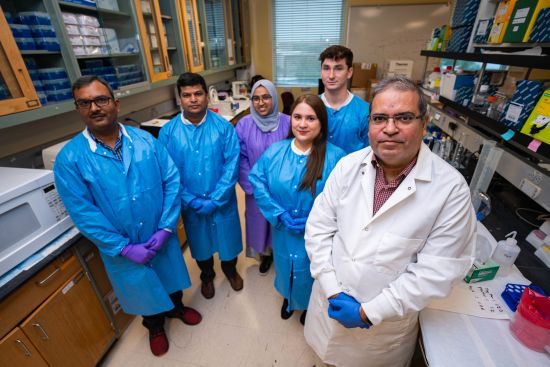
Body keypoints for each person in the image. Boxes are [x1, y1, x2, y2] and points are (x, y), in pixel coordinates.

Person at [304, 76, 476, 367]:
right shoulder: (348, 166)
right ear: (369, 124)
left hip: (382, 328)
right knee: (326, 358)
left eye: (404, 118)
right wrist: (332, 288)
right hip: (329, 302)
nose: (390, 128)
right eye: (380, 118)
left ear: (424, 124)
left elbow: (437, 271)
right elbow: (319, 229)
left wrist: (368, 312)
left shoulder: (450, 189)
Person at [54, 76, 201, 357]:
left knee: (170, 277)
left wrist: (167, 228)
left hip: (161, 232)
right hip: (122, 246)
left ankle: (177, 307)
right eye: (85, 103)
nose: (95, 108)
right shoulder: (70, 159)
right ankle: (154, 326)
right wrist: (123, 247)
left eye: (101, 99)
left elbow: (171, 181)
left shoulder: (146, 140)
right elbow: (83, 213)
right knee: (142, 289)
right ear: (78, 109)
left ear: (116, 104)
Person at [249, 95, 346, 325]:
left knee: (310, 270)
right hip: (283, 230)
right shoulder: (275, 151)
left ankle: (306, 306)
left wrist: (315, 220)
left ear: (321, 123)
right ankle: (288, 299)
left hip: (317, 236)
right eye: (297, 117)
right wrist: (278, 213)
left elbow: (343, 200)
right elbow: (257, 180)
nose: (302, 124)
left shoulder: (336, 157)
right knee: (284, 265)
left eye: (311, 118)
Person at [158, 72, 243, 300]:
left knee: (227, 240)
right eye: (187, 95)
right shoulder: (168, 133)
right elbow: (169, 173)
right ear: (180, 99)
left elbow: (232, 165)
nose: (193, 99)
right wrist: (191, 200)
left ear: (207, 96)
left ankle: (230, 270)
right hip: (190, 203)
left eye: (198, 93)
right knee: (200, 243)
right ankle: (207, 276)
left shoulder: (224, 128)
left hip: (222, 201)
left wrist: (216, 199)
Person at [235, 79, 290, 275]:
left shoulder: (288, 122)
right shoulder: (244, 125)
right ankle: (265, 255)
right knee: (259, 222)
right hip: (256, 189)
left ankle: (281, 255)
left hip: (283, 187)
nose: (261, 103)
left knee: (281, 222)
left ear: (274, 98)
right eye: (256, 98)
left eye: (266, 97)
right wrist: (253, 186)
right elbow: (240, 158)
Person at [319, 45, 370, 154]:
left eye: (338, 68)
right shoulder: (310, 108)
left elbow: (369, 153)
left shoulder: (365, 111)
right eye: (326, 68)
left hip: (352, 171)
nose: (331, 75)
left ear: (350, 72)